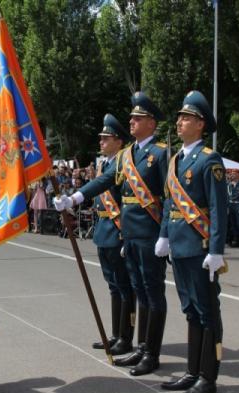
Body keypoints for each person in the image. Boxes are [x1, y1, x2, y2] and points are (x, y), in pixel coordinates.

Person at [55, 91, 168, 376]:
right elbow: (104, 180)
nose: (131, 121)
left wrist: (166, 235)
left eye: (138, 118)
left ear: (151, 123)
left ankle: (151, 353)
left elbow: (171, 197)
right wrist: (75, 198)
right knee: (140, 293)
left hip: (150, 234)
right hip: (130, 233)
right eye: (131, 117)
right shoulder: (128, 155)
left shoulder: (161, 154)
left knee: (153, 296)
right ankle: (141, 347)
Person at [155, 90, 228, 393]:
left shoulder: (209, 160)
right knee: (191, 311)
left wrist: (216, 250)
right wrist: (164, 234)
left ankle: (208, 378)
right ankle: (192, 371)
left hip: (200, 250)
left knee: (207, 312)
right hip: (180, 249)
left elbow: (218, 207)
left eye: (186, 118)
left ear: (200, 124)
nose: (179, 122)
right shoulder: (176, 161)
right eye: (180, 117)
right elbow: (170, 203)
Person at [88, 114, 135, 356]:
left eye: (106, 139)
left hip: (117, 231)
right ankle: (116, 334)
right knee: (113, 286)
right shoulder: (104, 165)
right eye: (101, 138)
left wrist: (125, 233)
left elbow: (127, 203)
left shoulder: (123, 165)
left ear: (118, 141)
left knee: (124, 286)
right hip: (103, 231)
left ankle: (125, 337)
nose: (102, 142)